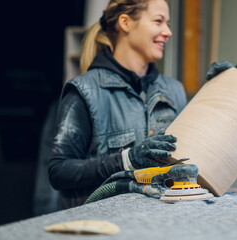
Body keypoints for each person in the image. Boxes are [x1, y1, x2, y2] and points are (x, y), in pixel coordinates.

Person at [48, 0, 187, 209]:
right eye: (158, 21)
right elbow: (59, 171)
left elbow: (195, 156)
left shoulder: (174, 90)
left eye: (167, 23)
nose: (168, 32)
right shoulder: (85, 90)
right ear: (126, 23)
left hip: (165, 226)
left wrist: (222, 86)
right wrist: (127, 159)